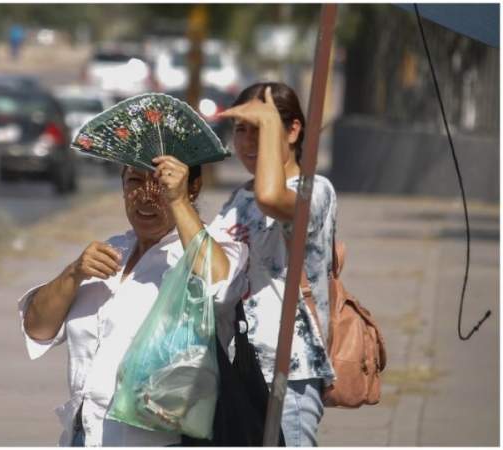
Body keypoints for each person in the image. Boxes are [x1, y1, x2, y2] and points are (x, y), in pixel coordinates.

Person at [18, 156, 247, 446]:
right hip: (84, 435)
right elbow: (37, 328)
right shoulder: (112, 251)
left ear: (193, 188)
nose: (147, 195)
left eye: (161, 183)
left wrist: (177, 202)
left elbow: (221, 286)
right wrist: (73, 273)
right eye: (135, 181)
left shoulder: (213, 251)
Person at [211, 82, 337, 446]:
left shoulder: (315, 190)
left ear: (293, 129)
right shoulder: (238, 197)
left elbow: (272, 197)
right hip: (237, 369)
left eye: (261, 129)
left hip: (288, 374)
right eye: (241, 130)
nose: (248, 142)